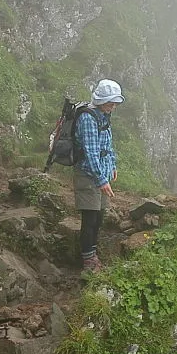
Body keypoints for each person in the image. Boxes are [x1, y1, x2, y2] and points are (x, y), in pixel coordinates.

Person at [73, 78, 124, 272]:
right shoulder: (88, 118)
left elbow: (107, 144)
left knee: (100, 216)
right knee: (90, 217)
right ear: (102, 100)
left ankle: (93, 252)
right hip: (88, 175)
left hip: (101, 172)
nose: (114, 107)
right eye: (111, 103)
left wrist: (112, 165)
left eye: (115, 103)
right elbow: (91, 152)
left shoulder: (103, 114)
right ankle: (88, 261)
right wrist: (101, 180)